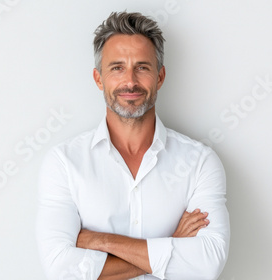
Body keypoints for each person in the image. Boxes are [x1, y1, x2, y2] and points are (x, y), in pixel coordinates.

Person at [36, 11, 230, 280]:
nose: (130, 81)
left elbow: (207, 264)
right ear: (98, 78)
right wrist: (172, 242)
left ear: (160, 77)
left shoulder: (199, 162)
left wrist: (101, 241)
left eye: (142, 67)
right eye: (117, 68)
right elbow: (59, 268)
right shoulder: (64, 163)